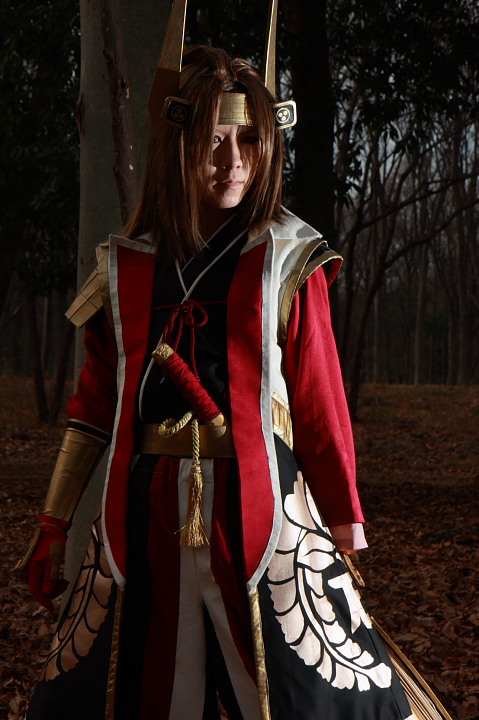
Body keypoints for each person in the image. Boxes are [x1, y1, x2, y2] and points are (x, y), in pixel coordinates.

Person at [18, 15, 419, 720]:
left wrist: (343, 522)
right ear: (177, 144)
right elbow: (93, 407)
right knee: (124, 693)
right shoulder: (126, 264)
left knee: (306, 695)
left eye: (248, 141)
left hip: (265, 514)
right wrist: (54, 521)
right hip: (140, 515)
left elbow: (318, 402)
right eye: (211, 141)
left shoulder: (289, 257)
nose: (232, 161)